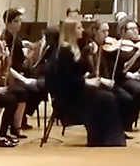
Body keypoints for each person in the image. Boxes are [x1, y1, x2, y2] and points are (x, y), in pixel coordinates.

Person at [50, 16, 127, 146]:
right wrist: (86, 82)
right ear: (71, 31)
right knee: (106, 98)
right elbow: (66, 77)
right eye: (79, 28)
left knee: (109, 96)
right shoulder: (65, 50)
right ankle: (102, 138)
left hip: (77, 88)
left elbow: (79, 70)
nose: (83, 30)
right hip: (70, 94)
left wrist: (90, 56)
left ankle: (108, 137)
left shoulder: (75, 47)